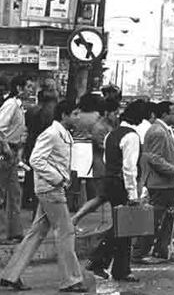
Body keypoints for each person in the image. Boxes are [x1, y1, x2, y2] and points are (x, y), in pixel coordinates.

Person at [0, 100, 86, 292]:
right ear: (64, 115)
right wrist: (57, 178)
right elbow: (36, 159)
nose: (78, 118)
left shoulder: (61, 133)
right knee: (66, 231)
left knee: (36, 233)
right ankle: (71, 280)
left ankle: (10, 275)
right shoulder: (52, 134)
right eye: (75, 114)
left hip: (50, 188)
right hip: (51, 189)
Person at [86, 100, 145, 283]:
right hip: (121, 184)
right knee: (124, 228)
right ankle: (102, 262)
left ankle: (115, 267)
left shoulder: (112, 134)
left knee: (121, 226)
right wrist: (133, 194)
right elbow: (129, 168)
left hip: (110, 181)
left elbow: (106, 158)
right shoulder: (132, 136)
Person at [132, 101, 174, 264]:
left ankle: (161, 250)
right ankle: (140, 252)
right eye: (173, 113)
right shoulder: (158, 132)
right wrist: (173, 169)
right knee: (154, 219)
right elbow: (154, 157)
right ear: (164, 115)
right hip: (159, 184)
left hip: (166, 184)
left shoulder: (163, 130)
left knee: (170, 215)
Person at [70, 97, 119, 226]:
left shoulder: (78, 114)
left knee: (76, 179)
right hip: (93, 154)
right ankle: (86, 207)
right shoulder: (97, 120)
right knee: (95, 185)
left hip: (77, 146)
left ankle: (75, 205)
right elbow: (99, 140)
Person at [0, 76, 28, 243]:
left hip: (12, 151)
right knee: (3, 192)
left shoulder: (18, 105)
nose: (32, 89)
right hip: (5, 151)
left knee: (14, 192)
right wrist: (6, 148)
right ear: (19, 87)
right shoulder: (10, 105)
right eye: (29, 86)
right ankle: (5, 232)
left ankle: (14, 231)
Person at [22, 86, 58, 210]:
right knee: (41, 172)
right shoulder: (51, 113)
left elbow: (26, 126)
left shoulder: (31, 110)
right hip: (44, 144)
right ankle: (36, 201)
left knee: (30, 171)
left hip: (31, 142)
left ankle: (26, 198)